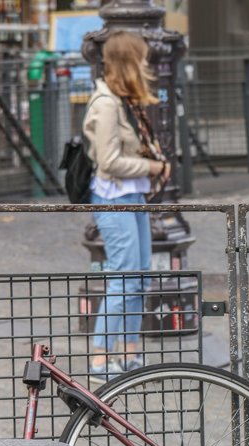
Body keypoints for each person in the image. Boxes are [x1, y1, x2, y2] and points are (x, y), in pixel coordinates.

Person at [83, 30, 169, 383]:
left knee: (139, 277)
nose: (147, 65)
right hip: (113, 197)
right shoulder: (106, 104)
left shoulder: (124, 100)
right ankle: (101, 359)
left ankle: (129, 354)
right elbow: (108, 162)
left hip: (132, 196)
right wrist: (153, 167)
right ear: (129, 63)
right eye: (142, 58)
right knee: (122, 277)